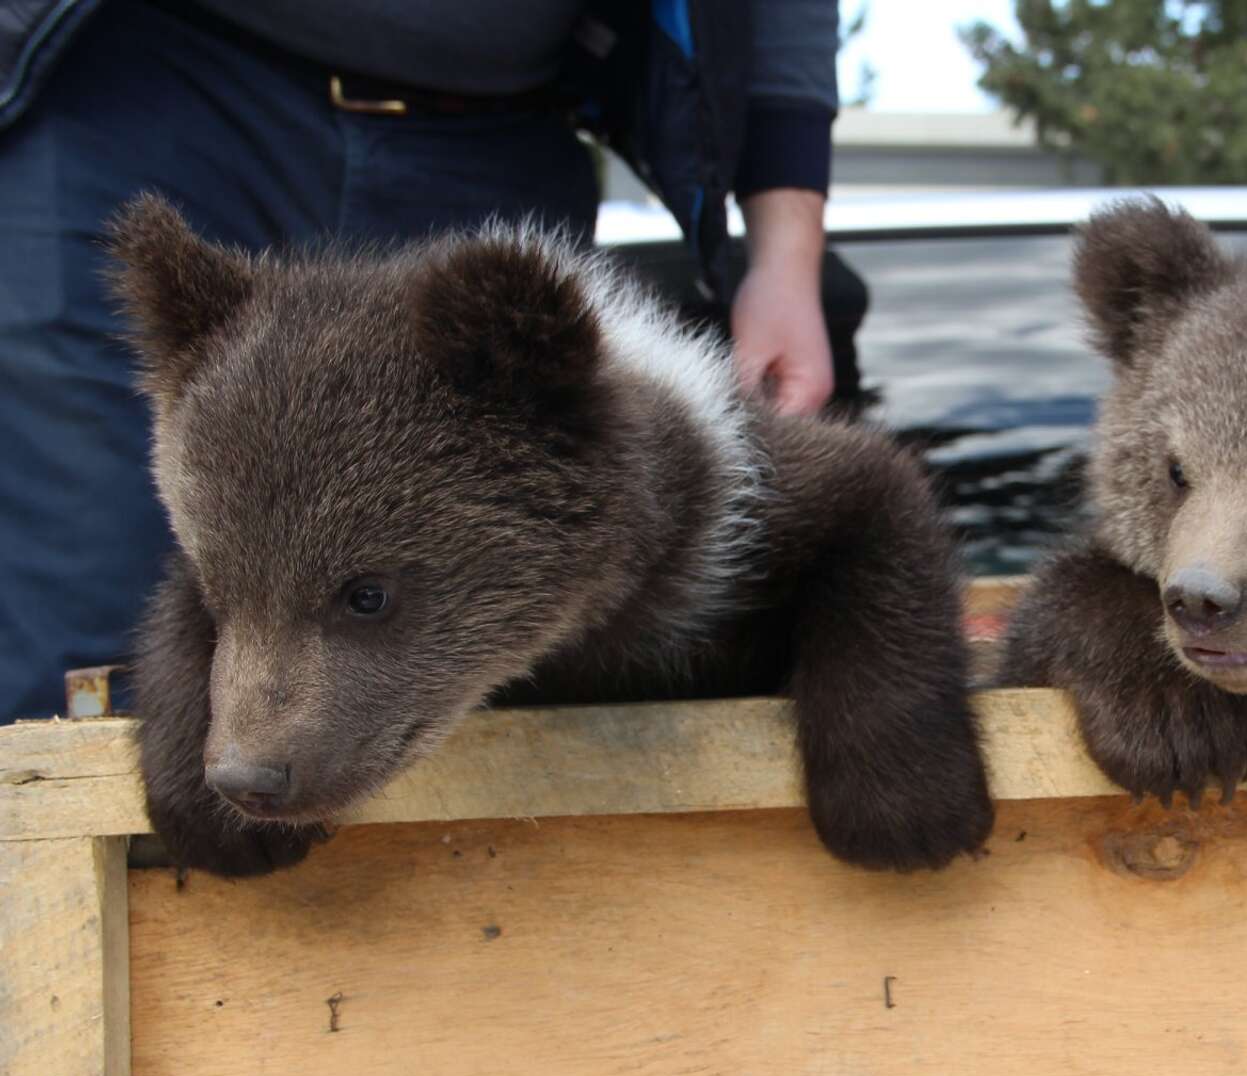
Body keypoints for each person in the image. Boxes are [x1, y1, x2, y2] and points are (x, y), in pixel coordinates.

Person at [0, 0, 840, 722]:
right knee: (90, 645)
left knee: (494, 673)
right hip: (144, 88)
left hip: (500, 122)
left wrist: (785, 249)